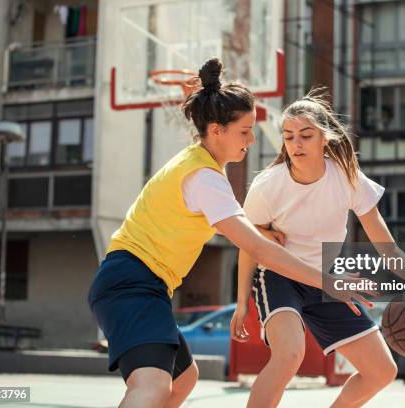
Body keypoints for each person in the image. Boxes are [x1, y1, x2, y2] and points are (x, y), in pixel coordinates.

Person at [87, 60, 369, 408]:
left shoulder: (199, 160)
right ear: (218, 130)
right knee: (153, 387)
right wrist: (329, 282)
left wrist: (200, 98)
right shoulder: (204, 179)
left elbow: (205, 129)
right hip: (131, 283)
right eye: (245, 130)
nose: (252, 138)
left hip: (142, 284)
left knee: (183, 380)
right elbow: (259, 250)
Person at [230, 90, 405, 408]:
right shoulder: (268, 186)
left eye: (306, 135)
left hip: (325, 279)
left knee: (382, 371)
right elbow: (248, 245)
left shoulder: (347, 179)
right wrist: (241, 304)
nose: (296, 144)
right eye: (289, 136)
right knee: (290, 355)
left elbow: (385, 246)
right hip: (277, 275)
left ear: (325, 138)